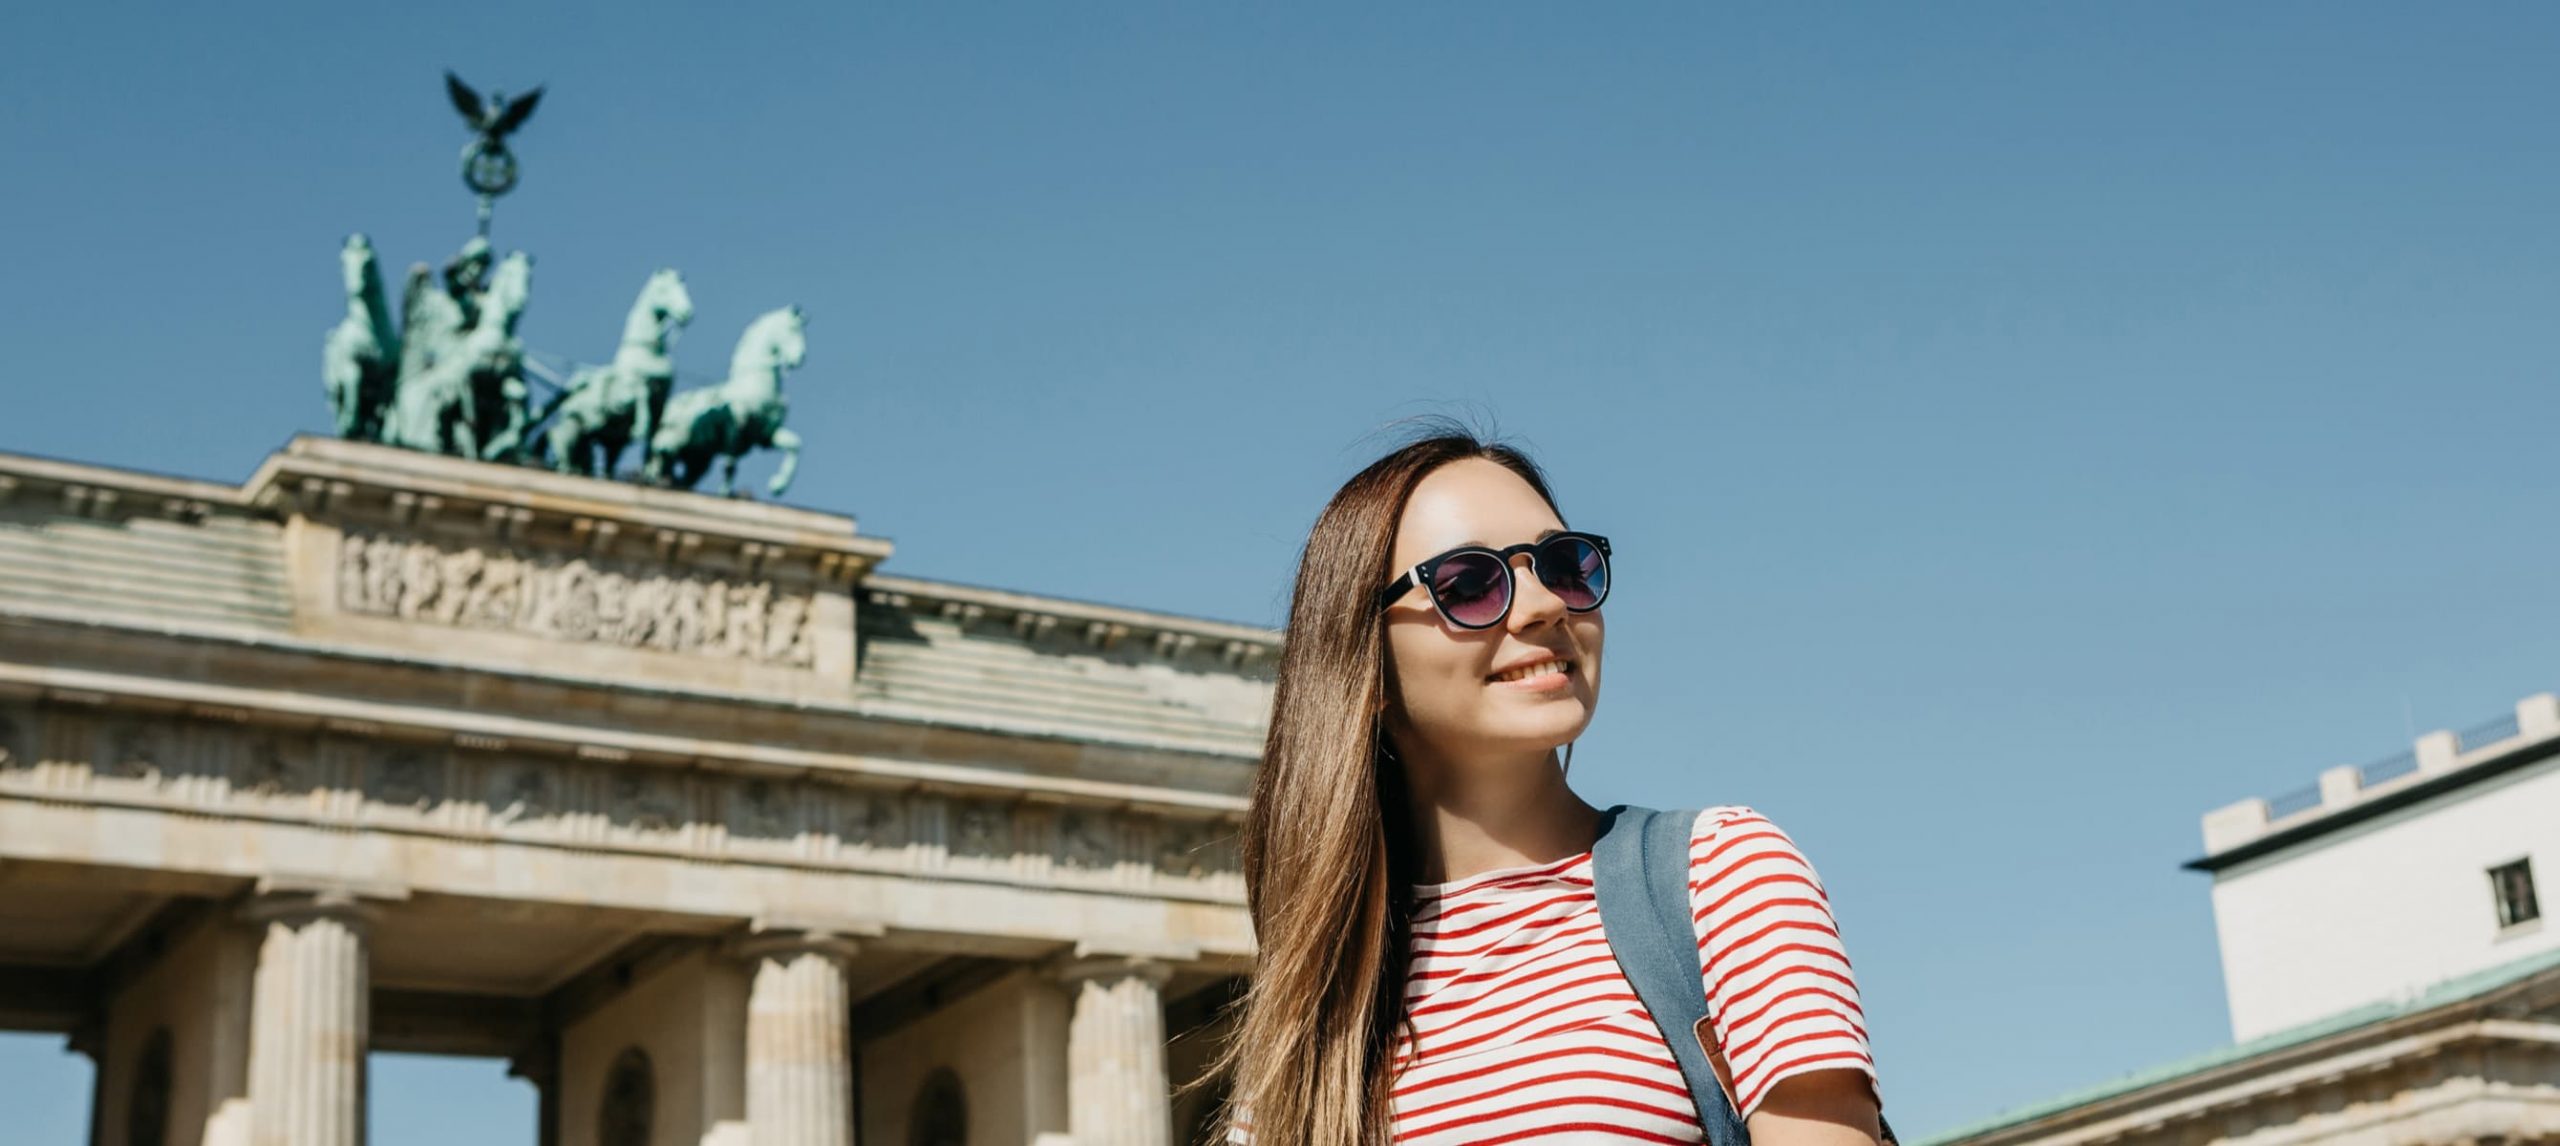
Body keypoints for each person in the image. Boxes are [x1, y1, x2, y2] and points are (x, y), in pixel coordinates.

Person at [1206, 425, 1883, 1146]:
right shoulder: (1314, 1021)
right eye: (1468, 584)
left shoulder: (1719, 875)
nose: (1545, 605)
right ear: (1362, 660)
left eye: (1565, 566)